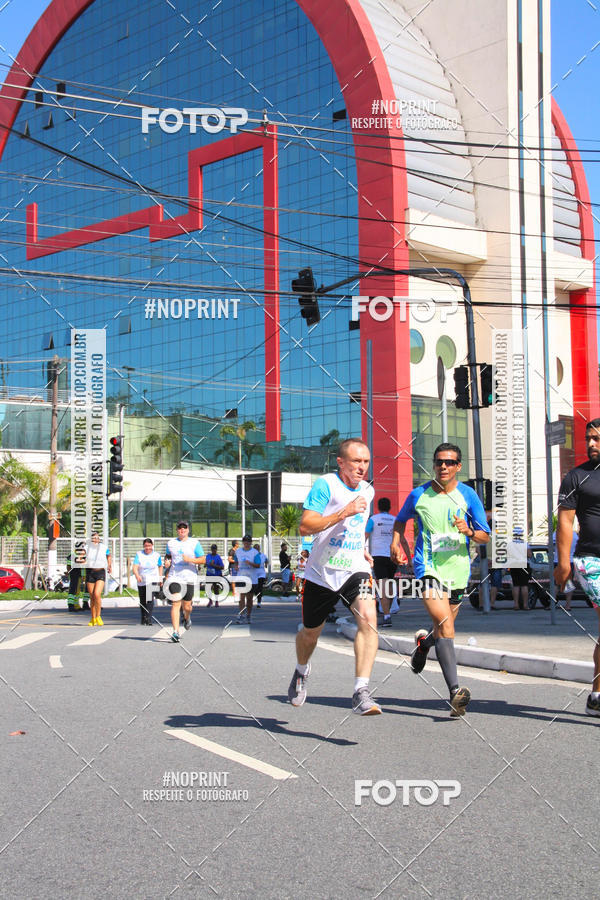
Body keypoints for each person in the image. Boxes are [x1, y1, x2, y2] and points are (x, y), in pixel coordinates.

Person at [391, 443, 490, 717]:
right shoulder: (418, 495)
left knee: (442, 628)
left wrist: (468, 530)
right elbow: (400, 521)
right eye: (439, 462)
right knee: (446, 625)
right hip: (428, 569)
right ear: (433, 465)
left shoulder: (468, 496)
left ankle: (424, 645)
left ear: (458, 466)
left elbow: (485, 536)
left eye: (449, 462)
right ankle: (455, 693)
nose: (443, 466)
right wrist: (395, 544)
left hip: (458, 571)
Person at [287, 438, 380, 716]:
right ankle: (301, 670)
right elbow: (305, 526)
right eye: (356, 461)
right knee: (310, 633)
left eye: (365, 461)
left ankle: (361, 691)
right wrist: (343, 512)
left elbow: (358, 525)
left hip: (354, 570)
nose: (362, 467)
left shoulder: (368, 490)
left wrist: (363, 550)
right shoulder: (325, 485)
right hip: (321, 573)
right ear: (341, 462)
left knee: (368, 619)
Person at [555, 418, 600, 717]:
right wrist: (562, 563)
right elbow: (565, 522)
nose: (592, 444)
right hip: (591, 561)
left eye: (597, 438)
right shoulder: (577, 477)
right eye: (589, 438)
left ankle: (596, 694)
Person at [164, 521, 205, 642]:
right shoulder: (171, 543)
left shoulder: (194, 543)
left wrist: (190, 560)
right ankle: (176, 632)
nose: (182, 530)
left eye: (184, 528)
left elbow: (203, 559)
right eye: (180, 528)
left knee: (187, 606)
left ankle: (187, 618)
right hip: (174, 576)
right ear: (177, 530)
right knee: (176, 602)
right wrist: (167, 562)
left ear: (188, 530)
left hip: (189, 577)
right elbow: (168, 556)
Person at [365, 497, 397, 627]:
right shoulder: (395, 520)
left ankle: (386, 615)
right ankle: (387, 611)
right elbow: (403, 540)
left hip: (378, 556)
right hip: (393, 556)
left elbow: (365, 535)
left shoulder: (373, 519)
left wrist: (361, 550)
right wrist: (409, 559)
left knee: (382, 587)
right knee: (388, 585)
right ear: (389, 507)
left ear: (378, 507)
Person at [132, 538, 163, 625]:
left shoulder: (156, 555)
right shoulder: (139, 554)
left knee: (149, 599)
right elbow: (135, 567)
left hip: (152, 579)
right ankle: (143, 617)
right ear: (143, 546)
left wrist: (160, 578)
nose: (147, 548)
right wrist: (137, 575)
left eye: (149, 546)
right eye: (146, 546)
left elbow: (160, 566)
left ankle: (148, 618)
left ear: (152, 546)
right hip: (141, 580)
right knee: (142, 600)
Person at [85, 531, 112, 626]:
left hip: (100, 572)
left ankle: (99, 616)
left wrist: (109, 565)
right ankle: (93, 618)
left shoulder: (104, 548)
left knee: (97, 594)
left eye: (97, 538)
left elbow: (109, 556)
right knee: (92, 596)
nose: (95, 540)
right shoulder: (86, 548)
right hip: (90, 572)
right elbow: (81, 558)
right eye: (93, 538)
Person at [234, 535, 261, 623]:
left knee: (249, 599)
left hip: (251, 578)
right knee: (241, 597)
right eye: (245, 541)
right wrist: (236, 566)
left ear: (251, 542)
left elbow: (258, 565)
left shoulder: (254, 552)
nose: (247, 543)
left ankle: (248, 615)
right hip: (241, 577)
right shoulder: (238, 551)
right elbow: (236, 561)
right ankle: (241, 615)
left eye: (248, 541)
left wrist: (249, 563)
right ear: (243, 542)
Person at [553, 527, 579, 611]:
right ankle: (568, 605)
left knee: (556, 584)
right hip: (570, 561)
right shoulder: (574, 535)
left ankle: (552, 604)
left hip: (558, 560)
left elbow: (550, 546)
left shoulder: (556, 533)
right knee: (569, 584)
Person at [509, 527, 531, 610]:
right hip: (523, 564)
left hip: (514, 564)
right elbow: (529, 555)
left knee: (516, 585)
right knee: (524, 585)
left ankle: (516, 604)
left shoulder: (510, 544)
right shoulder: (525, 544)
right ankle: (525, 605)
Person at [253, 543, 268, 607]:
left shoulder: (263, 555)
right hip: (254, 574)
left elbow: (266, 560)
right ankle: (257, 595)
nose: (256, 549)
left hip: (261, 574)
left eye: (257, 548)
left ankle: (259, 602)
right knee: (255, 588)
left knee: (260, 588)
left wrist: (266, 564)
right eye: (255, 548)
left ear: (259, 549)